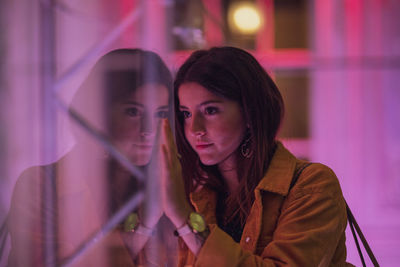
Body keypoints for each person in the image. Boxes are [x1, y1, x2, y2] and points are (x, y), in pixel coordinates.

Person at [158, 46, 349, 266]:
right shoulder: (196, 195)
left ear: (250, 113)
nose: (194, 128)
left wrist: (184, 220)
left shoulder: (311, 185)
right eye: (186, 114)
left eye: (210, 110)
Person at [8, 48, 175, 266]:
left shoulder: (170, 187)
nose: (149, 130)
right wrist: (143, 229)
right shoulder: (41, 185)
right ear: (99, 111)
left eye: (160, 114)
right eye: (133, 111)